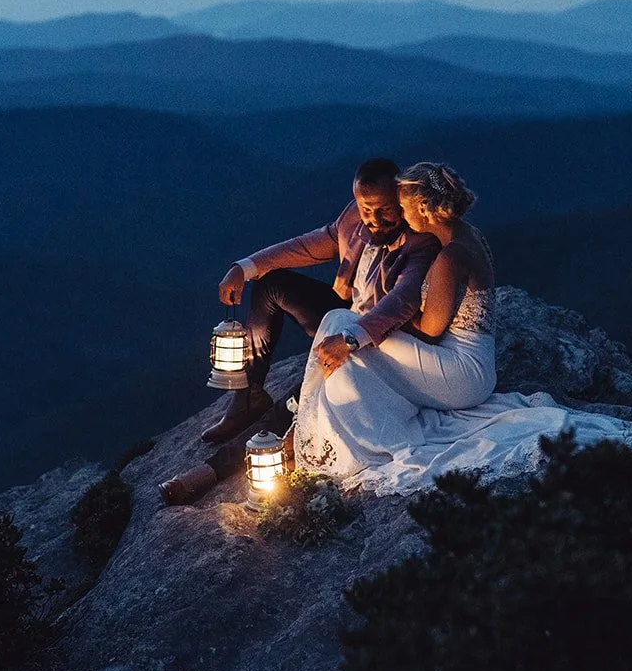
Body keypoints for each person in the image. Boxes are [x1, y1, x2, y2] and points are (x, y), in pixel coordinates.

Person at [291, 162, 632, 493]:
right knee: (349, 328)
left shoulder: (449, 257)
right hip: (471, 364)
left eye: (404, 207)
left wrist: (376, 325)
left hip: (460, 374)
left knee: (342, 323)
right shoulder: (468, 236)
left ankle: (337, 434)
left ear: (423, 210)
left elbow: (429, 330)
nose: (401, 215)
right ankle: (337, 423)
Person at [159, 158, 441, 505]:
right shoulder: (355, 218)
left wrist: (349, 341)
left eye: (384, 211)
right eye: (367, 209)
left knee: (297, 402)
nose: (374, 220)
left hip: (377, 338)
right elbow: (307, 245)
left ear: (400, 200)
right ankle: (249, 394)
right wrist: (243, 268)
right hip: (342, 316)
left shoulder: (421, 241)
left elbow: (401, 302)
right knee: (271, 284)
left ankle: (210, 471)